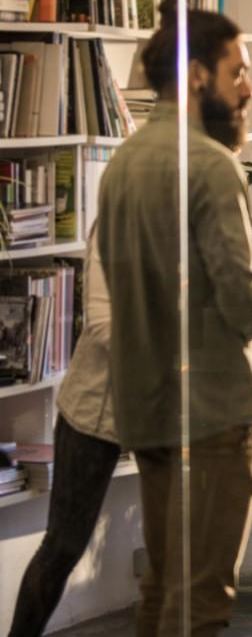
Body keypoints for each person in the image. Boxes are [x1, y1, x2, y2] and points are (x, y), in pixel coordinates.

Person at [97, 0, 252, 637]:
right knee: (206, 601)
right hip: (215, 411)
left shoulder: (124, 161)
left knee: (163, 589)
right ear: (196, 75)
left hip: (150, 407)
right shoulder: (212, 167)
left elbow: (162, 285)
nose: (249, 87)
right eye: (237, 71)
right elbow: (247, 311)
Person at [8, 228, 117, 637]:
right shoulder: (119, 211)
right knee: (63, 547)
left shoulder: (192, 213)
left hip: (155, 408)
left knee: (174, 551)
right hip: (92, 408)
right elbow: (106, 326)